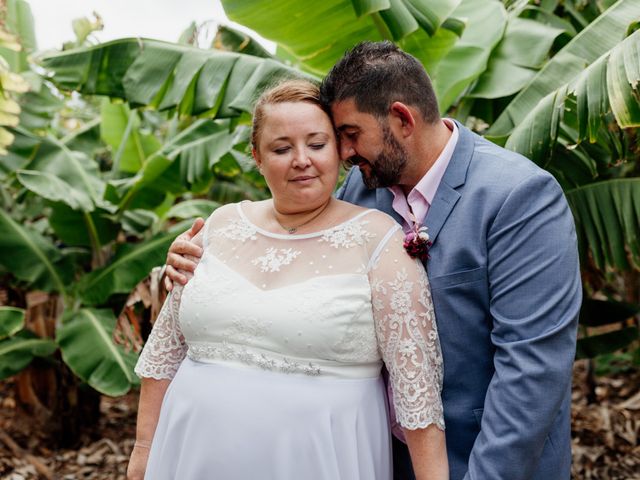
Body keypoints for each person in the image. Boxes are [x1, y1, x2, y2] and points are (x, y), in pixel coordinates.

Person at [165, 42, 582, 480]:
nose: (343, 153)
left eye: (350, 134)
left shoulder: (519, 197)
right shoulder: (361, 191)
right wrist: (193, 262)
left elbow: (531, 370)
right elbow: (287, 266)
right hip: (373, 458)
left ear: (402, 119)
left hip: (481, 458)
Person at [127, 79, 448, 480]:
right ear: (257, 158)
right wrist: (143, 451)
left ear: (339, 150)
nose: (301, 160)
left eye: (316, 144)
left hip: (319, 457)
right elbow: (164, 352)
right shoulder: (220, 225)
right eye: (281, 148)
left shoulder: (380, 241)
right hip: (189, 452)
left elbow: (415, 391)